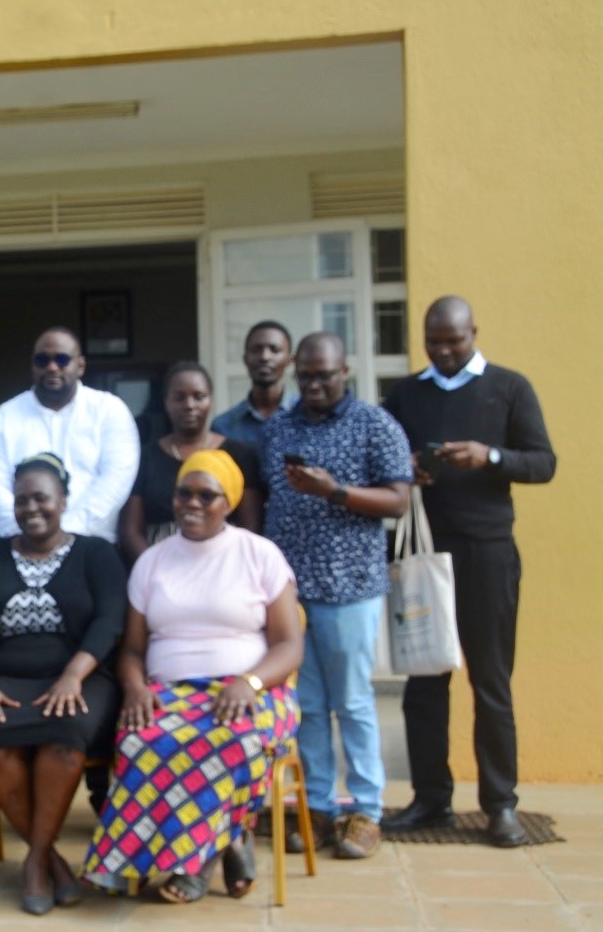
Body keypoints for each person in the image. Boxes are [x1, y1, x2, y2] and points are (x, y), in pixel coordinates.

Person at [84, 450, 303, 903]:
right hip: (171, 693)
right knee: (139, 741)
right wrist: (135, 687)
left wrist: (250, 683)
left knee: (232, 740)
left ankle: (197, 863)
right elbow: (132, 649)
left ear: (230, 501)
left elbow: (289, 644)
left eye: (208, 495)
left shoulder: (259, 554)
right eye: (185, 493)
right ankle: (231, 840)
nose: (193, 504)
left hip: (252, 691)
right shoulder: (152, 561)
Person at [381, 296, 556, 847]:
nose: (444, 351)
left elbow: (544, 462)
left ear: (473, 333)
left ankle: (500, 804)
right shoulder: (407, 393)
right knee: (424, 682)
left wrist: (492, 456)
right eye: (434, 341)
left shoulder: (510, 387)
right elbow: (383, 458)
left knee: (491, 681)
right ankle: (431, 800)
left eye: (454, 341)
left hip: (488, 554)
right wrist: (405, 467)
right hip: (424, 552)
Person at [261, 332, 412, 860]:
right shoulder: (279, 428)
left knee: (351, 702)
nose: (316, 384)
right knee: (307, 704)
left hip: (349, 588)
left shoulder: (375, 425)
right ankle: (319, 807)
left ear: (345, 370)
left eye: (325, 374)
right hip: (290, 594)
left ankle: (367, 811)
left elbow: (398, 499)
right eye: (306, 376)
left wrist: (335, 491)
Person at [0, 453, 127, 915]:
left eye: (41, 498)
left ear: (64, 500)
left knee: (66, 736)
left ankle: (34, 861)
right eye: (21, 500)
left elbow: (111, 619)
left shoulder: (96, 553)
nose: (30, 508)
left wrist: (73, 675)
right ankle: (48, 855)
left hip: (79, 676)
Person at [0, 327, 139, 543]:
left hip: (91, 545)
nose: (52, 367)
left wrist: (65, 536)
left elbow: (116, 480)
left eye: (62, 359)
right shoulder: (2, 418)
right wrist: (30, 536)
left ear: (80, 366)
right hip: (21, 546)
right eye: (42, 360)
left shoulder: (109, 410)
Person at [120, 361, 261, 566]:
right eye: (179, 397)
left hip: (225, 566)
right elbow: (131, 530)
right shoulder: (144, 457)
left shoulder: (239, 455)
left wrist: (229, 567)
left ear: (210, 400)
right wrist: (152, 570)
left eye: (198, 396)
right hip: (160, 565)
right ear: (166, 401)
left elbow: (250, 525)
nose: (189, 405)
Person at [211, 321, 296, 448]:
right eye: (256, 350)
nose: (264, 357)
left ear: (289, 360)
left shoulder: (308, 415)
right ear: (245, 359)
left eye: (274, 350)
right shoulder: (224, 426)